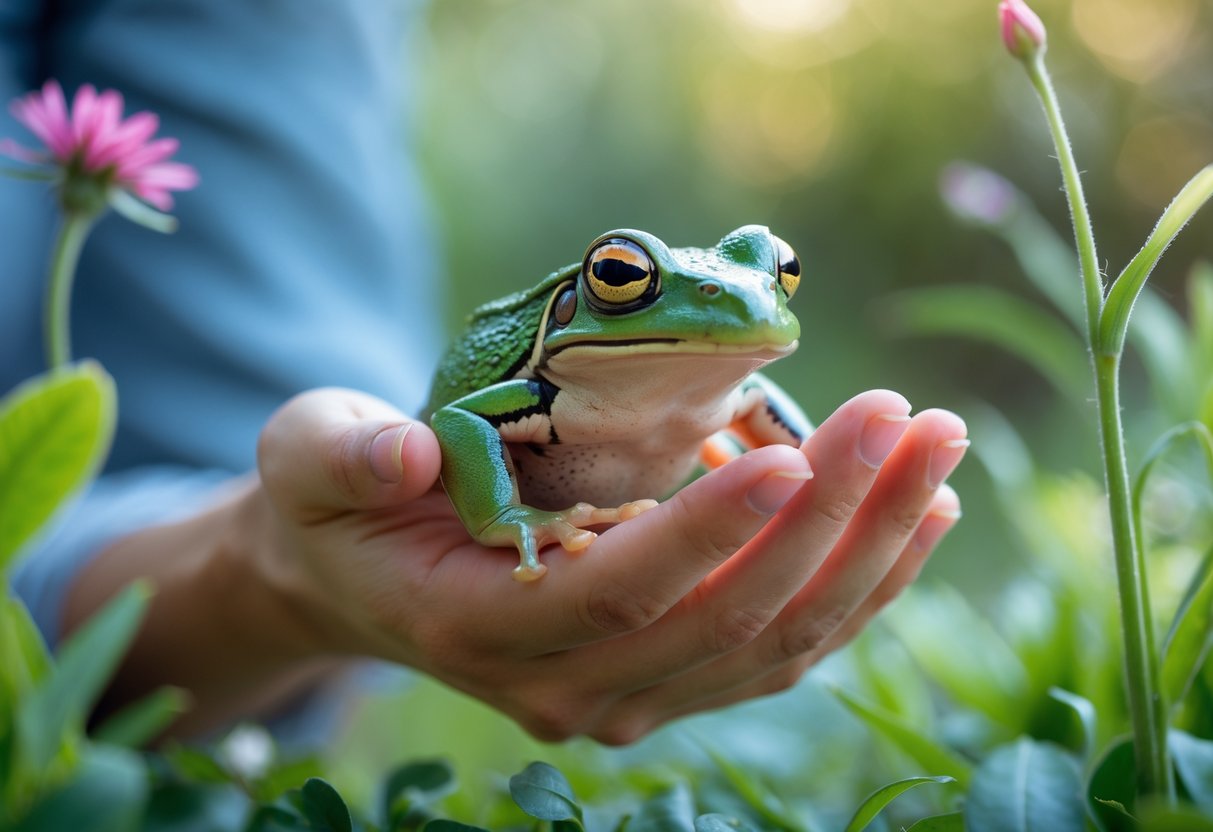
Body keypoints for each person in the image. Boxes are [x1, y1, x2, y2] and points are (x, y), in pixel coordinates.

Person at [2, 1, 967, 744]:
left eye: (779, 277)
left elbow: (763, 414)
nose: (755, 302)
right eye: (626, 279)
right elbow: (462, 425)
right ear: (586, 297)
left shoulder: (740, 384)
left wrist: (809, 485)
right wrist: (507, 521)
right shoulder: (542, 386)